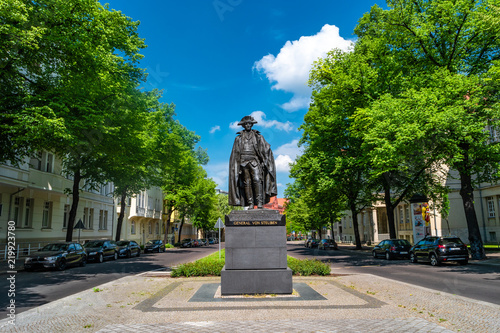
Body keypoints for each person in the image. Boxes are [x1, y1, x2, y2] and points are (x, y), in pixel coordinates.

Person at [228, 115, 277, 209]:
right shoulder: (238, 138)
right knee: (247, 183)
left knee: (257, 180)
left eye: (249, 123)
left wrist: (265, 159)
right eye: (246, 124)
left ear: (252, 124)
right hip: (243, 163)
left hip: (255, 161)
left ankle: (259, 202)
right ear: (243, 125)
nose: (248, 125)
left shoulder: (258, 136)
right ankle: (250, 203)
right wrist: (236, 167)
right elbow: (235, 154)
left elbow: (265, 148)